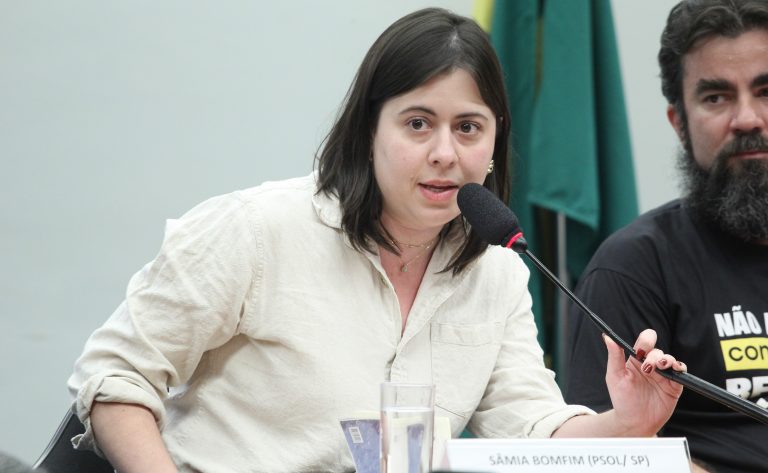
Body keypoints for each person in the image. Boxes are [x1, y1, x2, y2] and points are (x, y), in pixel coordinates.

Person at [68, 8, 686, 472]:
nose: (445, 153)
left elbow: (527, 428)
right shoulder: (256, 231)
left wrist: (626, 422)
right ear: (369, 128)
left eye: (468, 128)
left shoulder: (498, 270)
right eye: (418, 124)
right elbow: (116, 377)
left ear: (496, 138)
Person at [565, 1, 768, 472]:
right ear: (679, 124)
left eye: (765, 90)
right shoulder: (634, 267)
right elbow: (601, 457)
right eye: (716, 97)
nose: (747, 119)